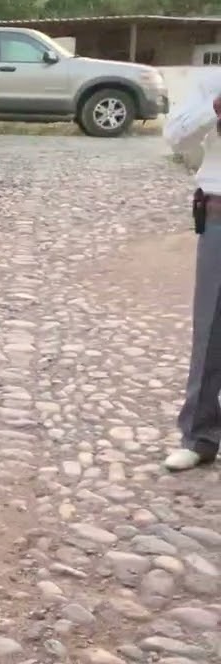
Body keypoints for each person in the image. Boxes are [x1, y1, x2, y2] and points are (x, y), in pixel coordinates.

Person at [161, 67, 221, 472]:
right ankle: (199, 436)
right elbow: (175, 135)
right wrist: (213, 112)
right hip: (219, 216)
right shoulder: (209, 82)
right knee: (211, 327)